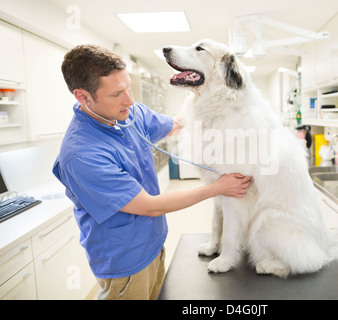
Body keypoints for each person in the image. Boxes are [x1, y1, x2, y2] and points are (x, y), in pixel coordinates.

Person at [52, 44, 251, 300]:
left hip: (153, 246)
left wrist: (229, 112)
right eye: (117, 94)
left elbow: (178, 123)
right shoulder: (83, 155)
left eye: (128, 87)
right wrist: (218, 188)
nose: (130, 101)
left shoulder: (128, 115)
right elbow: (150, 206)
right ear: (83, 97)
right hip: (124, 264)